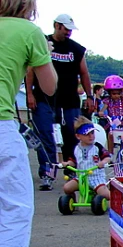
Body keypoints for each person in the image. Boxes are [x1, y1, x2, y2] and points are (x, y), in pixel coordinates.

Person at [0, 0, 57, 247]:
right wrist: (41, 54)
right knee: (16, 203)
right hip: (3, 125)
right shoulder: (28, 32)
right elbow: (49, 87)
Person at [25, 13, 93, 191]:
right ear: (56, 25)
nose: (68, 32)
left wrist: (90, 96)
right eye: (65, 29)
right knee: (45, 135)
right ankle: (47, 173)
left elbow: (84, 74)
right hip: (44, 98)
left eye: (70, 30)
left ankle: (71, 169)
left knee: (72, 134)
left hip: (69, 100)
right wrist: (29, 94)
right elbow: (31, 69)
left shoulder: (76, 49)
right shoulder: (43, 43)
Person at [59, 116, 111, 201]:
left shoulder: (97, 146)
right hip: (81, 178)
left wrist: (103, 162)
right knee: (67, 188)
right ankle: (71, 200)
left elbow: (107, 157)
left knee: (106, 194)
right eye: (87, 134)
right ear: (78, 136)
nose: (91, 136)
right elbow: (73, 161)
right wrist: (67, 164)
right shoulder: (76, 148)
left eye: (92, 133)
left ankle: (117, 203)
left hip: (95, 177)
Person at [98, 75, 123, 153]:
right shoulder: (108, 101)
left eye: (118, 93)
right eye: (114, 94)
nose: (116, 96)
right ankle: (110, 153)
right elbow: (104, 108)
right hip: (113, 122)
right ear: (109, 93)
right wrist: (101, 112)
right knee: (110, 134)